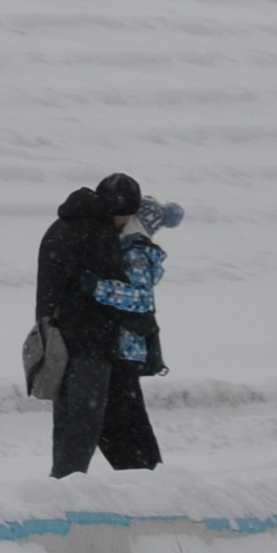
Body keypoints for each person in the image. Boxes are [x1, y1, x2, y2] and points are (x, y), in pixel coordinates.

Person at [35, 174, 155, 479]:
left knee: (66, 424)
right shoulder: (98, 234)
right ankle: (69, 492)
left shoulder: (61, 226)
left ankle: (59, 486)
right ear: (119, 211)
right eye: (126, 216)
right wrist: (144, 326)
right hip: (90, 345)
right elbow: (116, 294)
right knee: (85, 424)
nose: (125, 222)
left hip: (56, 340)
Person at [80, 195, 185, 472]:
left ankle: (140, 475)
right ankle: (149, 473)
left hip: (123, 349)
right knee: (130, 419)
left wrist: (97, 288)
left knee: (114, 421)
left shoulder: (135, 252)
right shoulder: (129, 248)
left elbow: (139, 298)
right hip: (124, 349)